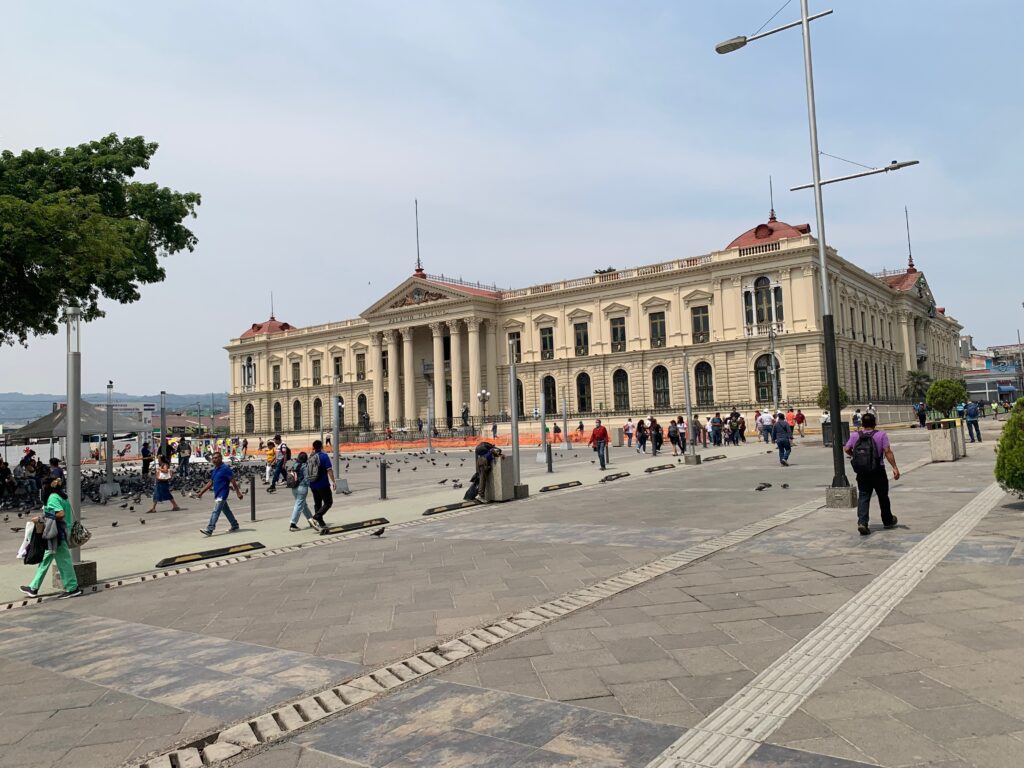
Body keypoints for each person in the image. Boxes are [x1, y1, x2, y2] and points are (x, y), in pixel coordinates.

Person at [19, 480, 81, 599]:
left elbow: (60, 514)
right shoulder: (63, 496)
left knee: (64, 562)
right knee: (45, 560)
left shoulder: (53, 497)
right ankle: (33, 587)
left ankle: (72, 588)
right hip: (58, 533)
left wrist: (41, 517)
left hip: (56, 535)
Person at [844, 412, 899, 536]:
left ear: (862, 424)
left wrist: (856, 457)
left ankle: (862, 523)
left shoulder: (855, 435)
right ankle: (887, 520)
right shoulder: (881, 435)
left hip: (862, 472)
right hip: (878, 470)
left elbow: (847, 449)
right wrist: (895, 467)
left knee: (863, 496)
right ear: (875, 423)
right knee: (883, 496)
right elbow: (888, 451)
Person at [197, 451, 243, 536]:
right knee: (226, 511)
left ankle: (210, 529)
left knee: (216, 511)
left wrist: (238, 493)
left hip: (223, 494)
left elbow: (232, 481)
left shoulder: (225, 469)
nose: (214, 460)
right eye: (213, 458)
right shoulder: (215, 469)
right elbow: (210, 482)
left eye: (216, 458)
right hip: (217, 494)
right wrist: (201, 492)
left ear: (221, 458)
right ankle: (235, 525)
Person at [309, 439, 336, 531]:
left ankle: (320, 523)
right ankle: (315, 518)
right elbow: (329, 470)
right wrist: (333, 481)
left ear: (313, 447)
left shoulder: (311, 456)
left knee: (317, 503)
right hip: (322, 483)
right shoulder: (324, 456)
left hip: (312, 483)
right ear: (321, 447)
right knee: (328, 502)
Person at [288, 452, 315, 531]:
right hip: (302, 487)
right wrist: (311, 486)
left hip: (294, 488)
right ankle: (293, 524)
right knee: (299, 505)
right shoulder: (305, 466)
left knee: (303, 506)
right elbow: (307, 478)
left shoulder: (295, 465)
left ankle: (311, 520)